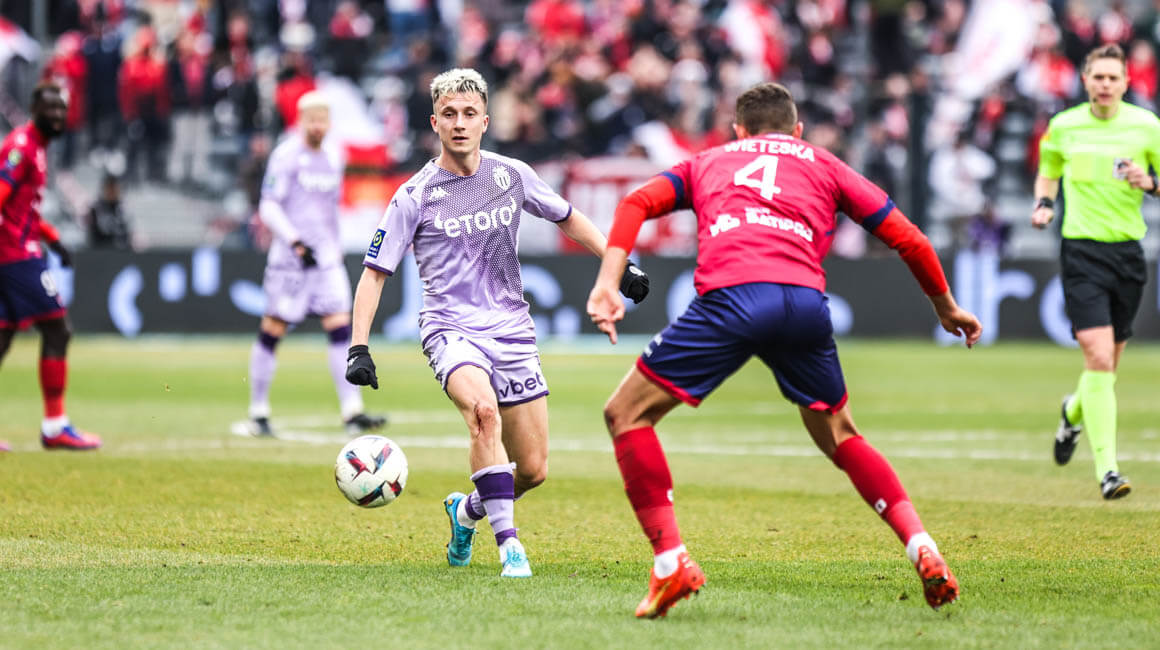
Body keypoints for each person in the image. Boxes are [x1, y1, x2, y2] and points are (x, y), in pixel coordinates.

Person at [586, 82, 982, 618]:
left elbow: (635, 202)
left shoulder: (709, 161)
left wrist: (608, 283)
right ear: (797, 130)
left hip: (733, 297)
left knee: (626, 414)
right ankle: (922, 545)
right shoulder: (825, 163)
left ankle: (670, 562)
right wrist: (946, 307)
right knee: (841, 434)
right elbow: (909, 237)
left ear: (738, 131)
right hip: (803, 305)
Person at [345, 68, 650, 578]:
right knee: (483, 413)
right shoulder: (414, 195)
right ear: (434, 123)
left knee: (531, 470)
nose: (459, 123)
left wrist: (621, 265)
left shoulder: (512, 174)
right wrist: (359, 347)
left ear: (485, 121)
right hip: (450, 328)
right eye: (449, 115)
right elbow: (374, 273)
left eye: (469, 114)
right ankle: (510, 547)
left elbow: (568, 217)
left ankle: (466, 512)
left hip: (512, 330)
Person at [1032, 44, 1160, 500]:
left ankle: (1072, 413)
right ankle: (1108, 471)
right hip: (1081, 254)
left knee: (1105, 369)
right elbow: (1048, 170)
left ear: (1126, 82)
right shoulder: (1064, 126)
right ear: (1085, 80)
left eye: (1113, 77)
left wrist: (1151, 183)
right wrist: (1044, 203)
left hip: (1127, 255)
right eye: (1098, 77)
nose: (1105, 84)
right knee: (1100, 359)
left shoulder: (1147, 126)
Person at [247, 91, 385, 438]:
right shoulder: (286, 156)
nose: (318, 126)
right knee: (273, 329)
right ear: (301, 121)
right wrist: (294, 240)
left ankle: (352, 410)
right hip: (291, 261)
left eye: (323, 120)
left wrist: (334, 248)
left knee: (340, 329)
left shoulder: (334, 156)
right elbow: (269, 206)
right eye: (313, 120)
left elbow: (330, 209)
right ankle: (258, 411)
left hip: (325, 260)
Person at [0, 82, 102, 451]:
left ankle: (55, 426)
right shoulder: (22, 148)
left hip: (18, 249)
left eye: (62, 109)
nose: (58, 115)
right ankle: (55, 425)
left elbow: (22, 208)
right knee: (58, 329)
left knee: (3, 337)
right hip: (16, 255)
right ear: (34, 110)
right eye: (51, 108)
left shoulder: (38, 148)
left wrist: (54, 239)